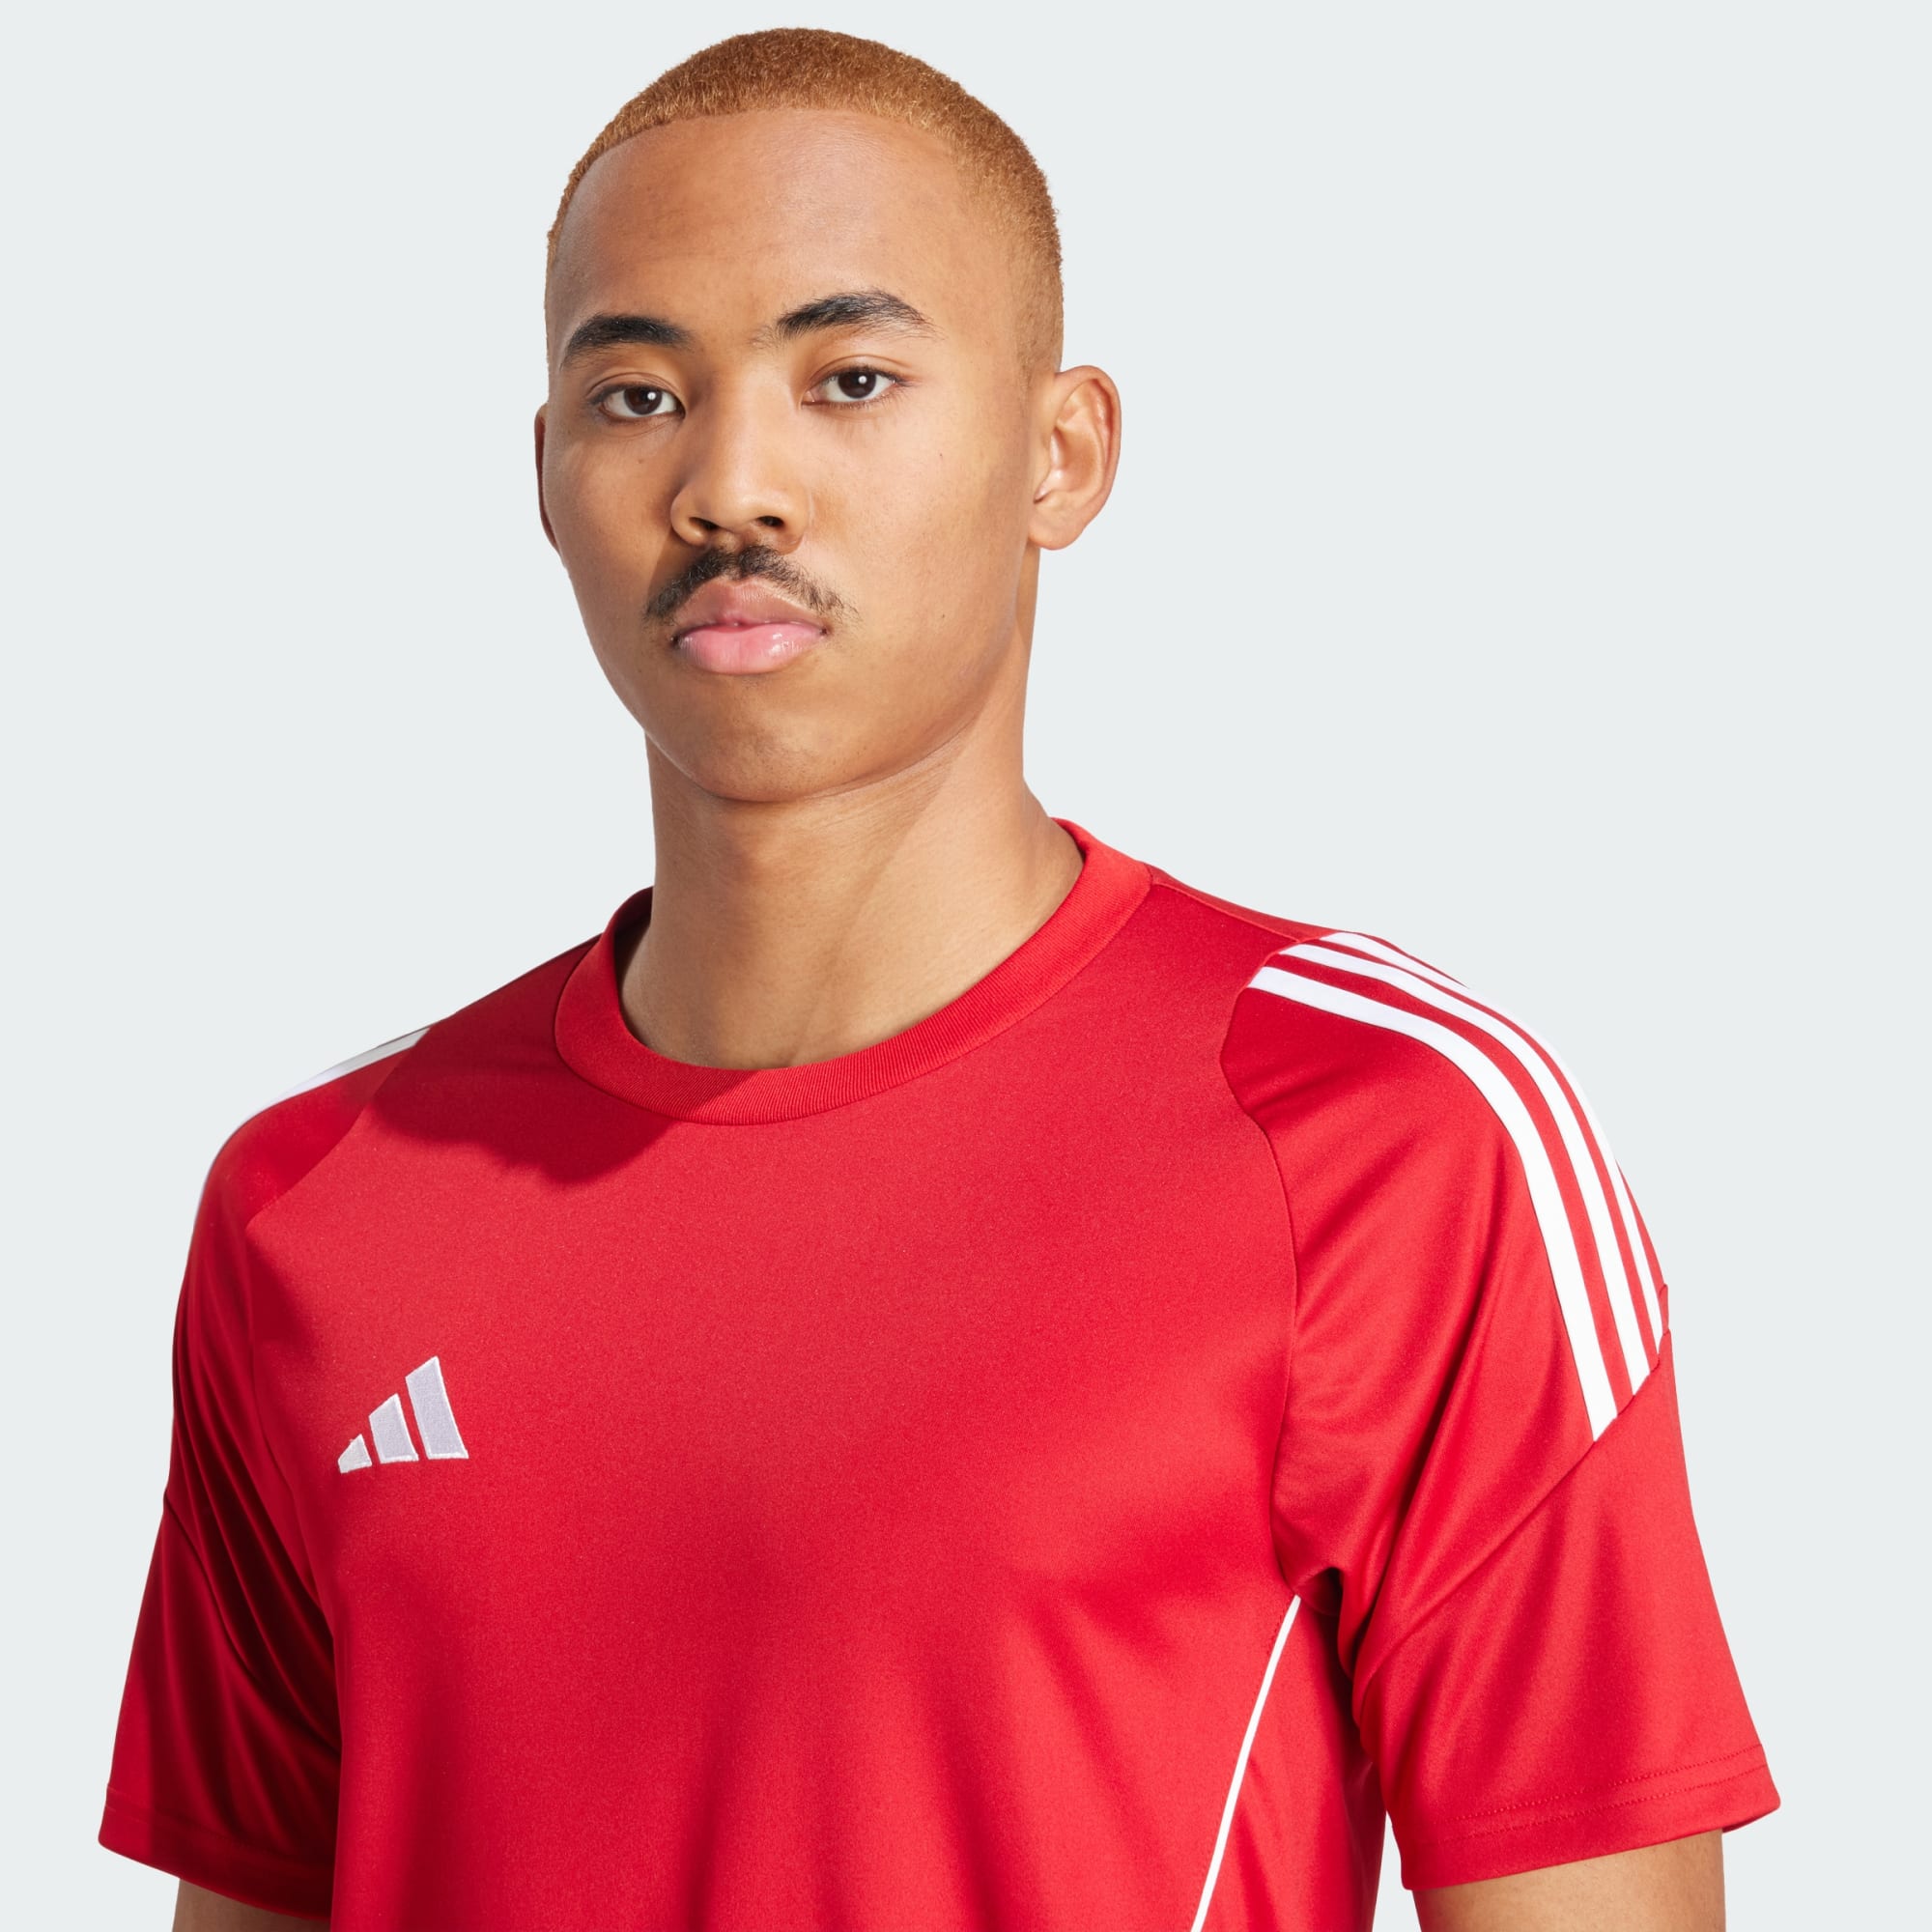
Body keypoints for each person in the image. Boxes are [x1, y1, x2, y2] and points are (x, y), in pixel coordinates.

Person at [99, 28, 1776, 1932]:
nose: (733, 484)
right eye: (639, 394)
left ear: (1062, 454)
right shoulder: (319, 1206)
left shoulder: (1388, 1142)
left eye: (851, 379)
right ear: (546, 475)